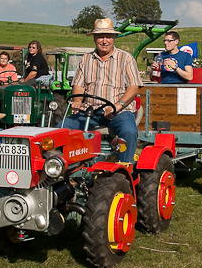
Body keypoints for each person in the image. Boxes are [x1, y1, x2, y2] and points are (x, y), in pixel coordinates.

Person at [58, 18, 143, 162]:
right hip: (90, 111)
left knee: (129, 131)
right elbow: (78, 84)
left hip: (119, 112)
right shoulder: (86, 59)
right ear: (94, 38)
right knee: (60, 130)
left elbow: (134, 87)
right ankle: (62, 168)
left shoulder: (126, 58)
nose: (104, 40)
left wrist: (117, 106)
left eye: (108, 37)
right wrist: (77, 100)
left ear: (114, 38)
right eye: (100, 37)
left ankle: (124, 170)